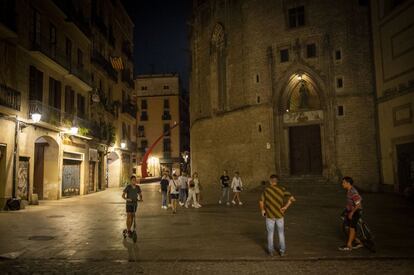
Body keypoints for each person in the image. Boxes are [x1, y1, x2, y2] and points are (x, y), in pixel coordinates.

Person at [259, 174, 295, 257]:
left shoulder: (266, 190)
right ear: (277, 181)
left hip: (270, 216)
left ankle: (271, 252)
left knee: (270, 234)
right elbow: (292, 198)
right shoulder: (282, 189)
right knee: (281, 233)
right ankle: (282, 251)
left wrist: (262, 210)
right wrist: (285, 207)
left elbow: (261, 201)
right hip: (280, 215)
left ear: (270, 181)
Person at [339, 176, 364, 251]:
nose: (342, 184)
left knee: (352, 227)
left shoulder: (353, 192)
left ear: (348, 183)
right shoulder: (349, 190)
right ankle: (358, 242)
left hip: (356, 211)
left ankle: (349, 245)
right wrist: (346, 211)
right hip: (350, 210)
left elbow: (358, 204)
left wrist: (352, 213)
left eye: (343, 182)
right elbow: (350, 203)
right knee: (347, 226)